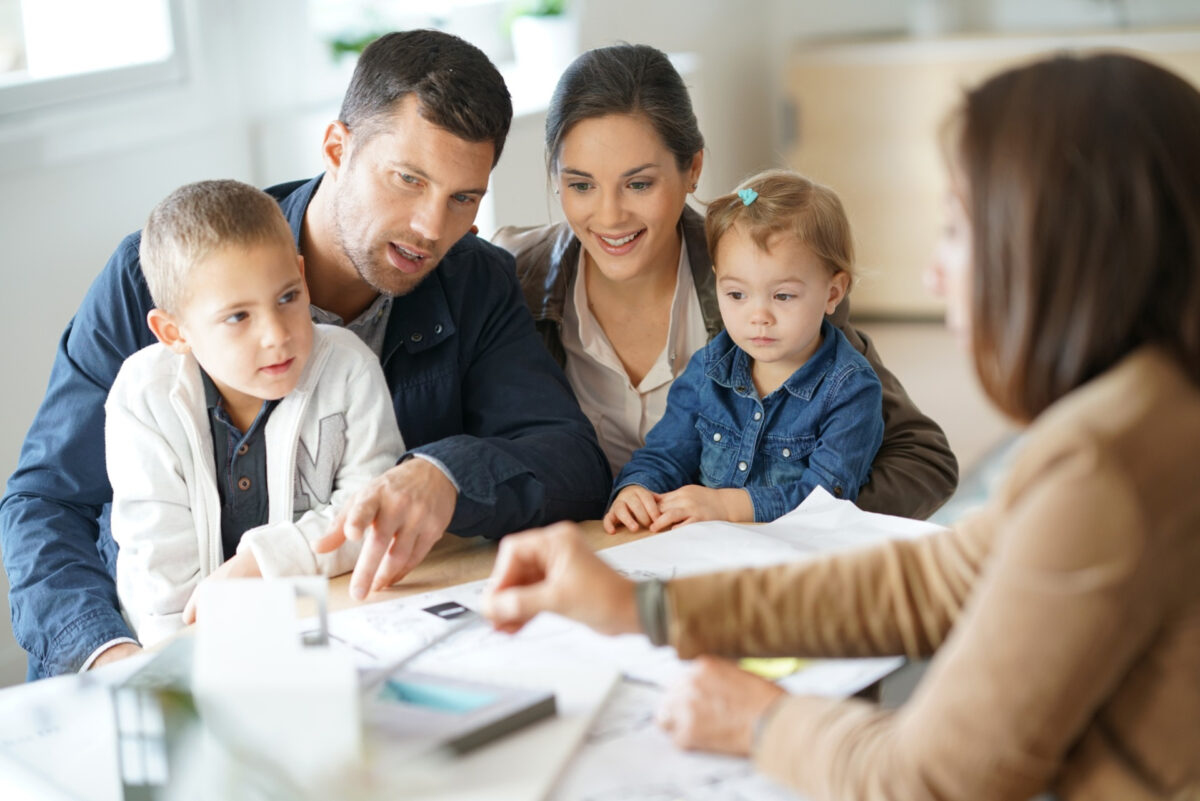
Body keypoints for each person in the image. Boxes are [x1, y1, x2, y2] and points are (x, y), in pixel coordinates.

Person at [482, 53, 1200, 800]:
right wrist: (647, 608)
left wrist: (764, 722)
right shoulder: (1138, 412)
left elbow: (930, 777)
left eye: (958, 229)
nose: (934, 275)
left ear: (1065, 252)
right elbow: (935, 580)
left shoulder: (1103, 470)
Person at [0, 30, 611, 678]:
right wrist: (108, 655)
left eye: (464, 198)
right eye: (408, 179)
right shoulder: (153, 277)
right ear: (337, 148)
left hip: (346, 658)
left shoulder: (472, 281)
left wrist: (444, 477)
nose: (433, 228)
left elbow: (570, 458)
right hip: (144, 658)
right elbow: (45, 503)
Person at [492, 43, 956, 520]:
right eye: (581, 185)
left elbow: (924, 461)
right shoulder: (512, 278)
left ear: (692, 169)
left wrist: (761, 513)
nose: (609, 216)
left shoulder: (773, 274)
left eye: (639, 184)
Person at [106, 180, 405, 647]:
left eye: (287, 297)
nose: (276, 335)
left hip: (324, 626)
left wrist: (259, 564)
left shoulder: (349, 368)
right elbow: (158, 577)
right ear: (173, 331)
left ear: (303, 278)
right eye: (238, 317)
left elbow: (371, 515)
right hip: (186, 645)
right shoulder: (144, 397)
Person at [606, 170, 883, 533]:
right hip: (709, 553)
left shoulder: (850, 389)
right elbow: (666, 454)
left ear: (833, 293)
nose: (758, 317)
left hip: (799, 563)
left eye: (782, 296)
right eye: (736, 294)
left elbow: (827, 498)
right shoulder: (708, 370)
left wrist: (727, 505)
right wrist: (637, 488)